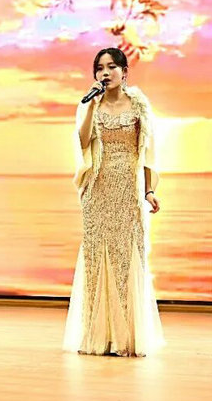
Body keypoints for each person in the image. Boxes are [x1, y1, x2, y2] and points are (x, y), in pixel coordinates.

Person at [63, 47, 165, 357]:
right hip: (98, 189)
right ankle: (99, 337)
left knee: (126, 258)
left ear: (124, 72)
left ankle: (126, 338)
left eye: (111, 67)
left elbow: (147, 152)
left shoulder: (139, 105)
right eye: (99, 68)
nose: (105, 73)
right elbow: (82, 143)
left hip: (128, 191)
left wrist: (149, 191)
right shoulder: (90, 104)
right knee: (97, 258)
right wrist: (91, 107)